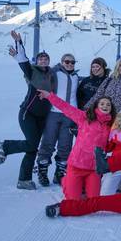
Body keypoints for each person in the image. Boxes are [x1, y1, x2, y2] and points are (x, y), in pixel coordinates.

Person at [0, 31, 55, 190]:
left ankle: (24, 180)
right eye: (41, 58)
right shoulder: (31, 71)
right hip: (27, 114)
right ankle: (5, 146)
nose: (43, 60)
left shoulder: (52, 74)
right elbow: (23, 60)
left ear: (49, 61)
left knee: (33, 147)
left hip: (43, 117)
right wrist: (19, 42)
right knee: (31, 143)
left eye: (46, 58)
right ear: (37, 61)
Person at [38, 89, 114, 200]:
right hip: (76, 166)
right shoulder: (85, 118)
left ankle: (82, 184)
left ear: (111, 109)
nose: (105, 106)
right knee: (73, 199)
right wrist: (50, 96)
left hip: (94, 169)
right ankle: (66, 181)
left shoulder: (111, 125)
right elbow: (66, 108)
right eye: (102, 103)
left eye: (108, 105)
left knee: (93, 199)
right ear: (96, 106)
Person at [36, 53, 80, 186]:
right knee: (48, 142)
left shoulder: (76, 77)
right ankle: (42, 171)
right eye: (67, 62)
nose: (70, 64)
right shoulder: (54, 72)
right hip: (53, 113)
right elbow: (40, 76)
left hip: (70, 115)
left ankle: (59, 173)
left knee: (65, 144)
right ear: (61, 62)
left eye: (72, 62)